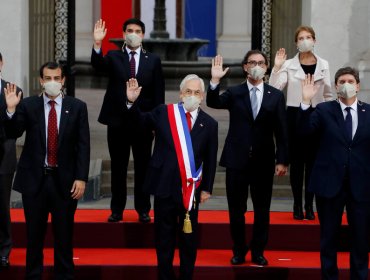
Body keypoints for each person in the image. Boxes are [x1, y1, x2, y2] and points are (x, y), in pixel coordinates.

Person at [2, 62, 90, 279]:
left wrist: (81, 177)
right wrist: (11, 110)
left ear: (63, 81)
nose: (52, 82)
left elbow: (83, 145)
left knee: (64, 236)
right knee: (34, 237)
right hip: (35, 182)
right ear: (41, 81)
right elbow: (14, 132)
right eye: (48, 78)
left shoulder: (77, 106)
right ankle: (33, 275)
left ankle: (64, 275)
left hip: (65, 182)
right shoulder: (29, 105)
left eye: (56, 78)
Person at [127, 74, 218, 280]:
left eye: (196, 92)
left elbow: (210, 159)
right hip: (164, 186)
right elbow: (139, 124)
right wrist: (131, 102)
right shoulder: (164, 113)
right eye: (188, 92)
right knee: (164, 238)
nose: (192, 96)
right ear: (180, 94)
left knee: (188, 239)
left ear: (202, 96)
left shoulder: (209, 124)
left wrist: (207, 188)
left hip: (190, 191)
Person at [207, 51, 289, 266]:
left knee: (262, 210)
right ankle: (239, 250)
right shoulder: (235, 93)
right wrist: (215, 80)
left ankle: (258, 251)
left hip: (263, 161)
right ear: (245, 67)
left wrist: (282, 160)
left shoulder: (275, 95)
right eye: (252, 62)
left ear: (266, 67)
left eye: (261, 63)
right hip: (237, 160)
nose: (256, 66)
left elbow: (282, 131)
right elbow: (213, 102)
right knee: (236, 210)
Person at [91, 18, 165, 223]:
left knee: (143, 166)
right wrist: (98, 44)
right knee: (118, 167)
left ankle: (143, 209)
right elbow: (98, 66)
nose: (133, 33)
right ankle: (117, 210)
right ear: (124, 34)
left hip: (143, 122)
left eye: (138, 30)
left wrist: (157, 123)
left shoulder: (153, 60)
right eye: (130, 30)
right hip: (117, 122)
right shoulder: (114, 56)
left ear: (143, 35)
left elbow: (159, 93)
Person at [299, 68, 370, 280]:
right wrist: (305, 103)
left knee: (361, 239)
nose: (346, 84)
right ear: (336, 86)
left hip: (362, 186)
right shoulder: (323, 110)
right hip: (329, 184)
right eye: (341, 81)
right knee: (329, 237)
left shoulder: (369, 112)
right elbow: (303, 134)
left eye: (350, 81)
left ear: (357, 85)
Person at [269, 25, 333, 220]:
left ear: (314, 40)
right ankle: (297, 204)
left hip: (317, 114)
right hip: (295, 114)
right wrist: (277, 67)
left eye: (308, 37)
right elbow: (274, 89)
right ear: (296, 43)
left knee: (314, 164)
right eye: (301, 38)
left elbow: (328, 93)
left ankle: (309, 204)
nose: (305, 40)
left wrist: (330, 117)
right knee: (297, 164)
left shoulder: (324, 64)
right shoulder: (288, 65)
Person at [0, 52, 22, 269]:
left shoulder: (13, 90)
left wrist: (10, 110)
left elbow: (16, 129)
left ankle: (3, 251)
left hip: (3, 157)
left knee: (1, 206)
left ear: (1, 63)